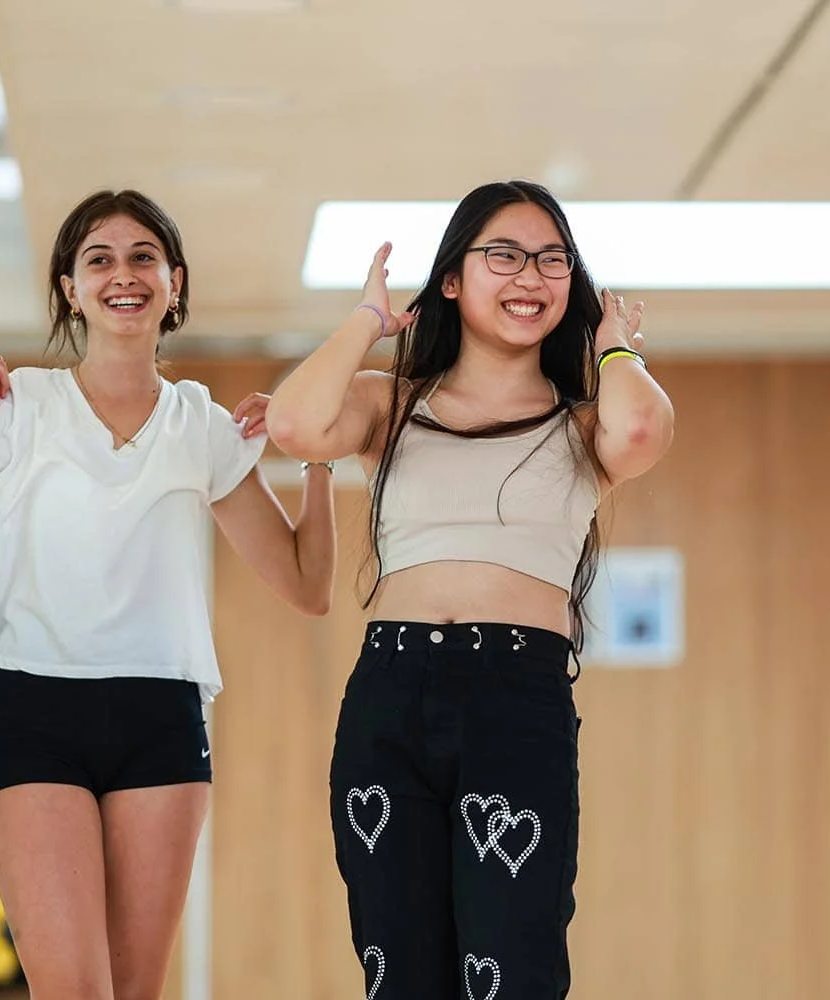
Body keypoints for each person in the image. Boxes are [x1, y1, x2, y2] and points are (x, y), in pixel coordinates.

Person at [0, 189, 336, 1000]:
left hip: (161, 718)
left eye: (144, 257)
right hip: (33, 712)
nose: (123, 274)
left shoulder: (203, 425)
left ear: (175, 282)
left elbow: (309, 586)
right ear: (71, 288)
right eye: (98, 258)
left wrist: (313, 450)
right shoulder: (17, 407)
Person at [267, 179, 674, 999]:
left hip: (515, 699)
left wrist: (617, 347)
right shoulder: (392, 404)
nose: (531, 276)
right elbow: (296, 425)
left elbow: (641, 431)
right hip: (391, 695)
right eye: (506, 256)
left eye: (553, 260)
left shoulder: (583, 422)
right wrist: (367, 325)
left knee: (511, 970)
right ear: (452, 278)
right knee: (398, 971)